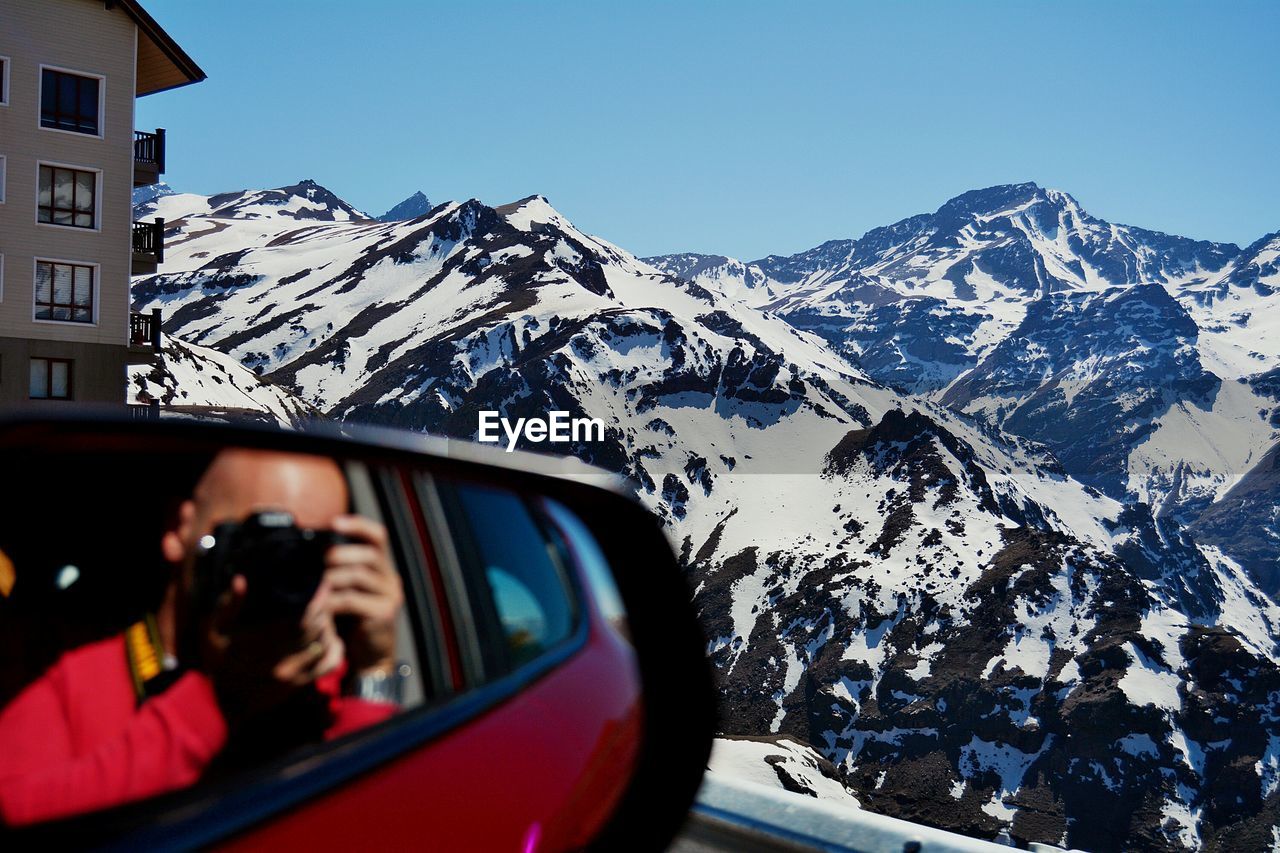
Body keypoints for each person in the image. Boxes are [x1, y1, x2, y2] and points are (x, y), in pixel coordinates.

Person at [0, 448, 405, 827]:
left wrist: (374, 671)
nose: (280, 569)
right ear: (180, 528)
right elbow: (20, 815)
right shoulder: (71, 684)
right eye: (256, 543)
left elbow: (379, 827)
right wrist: (219, 700)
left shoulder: (332, 688)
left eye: (307, 551)